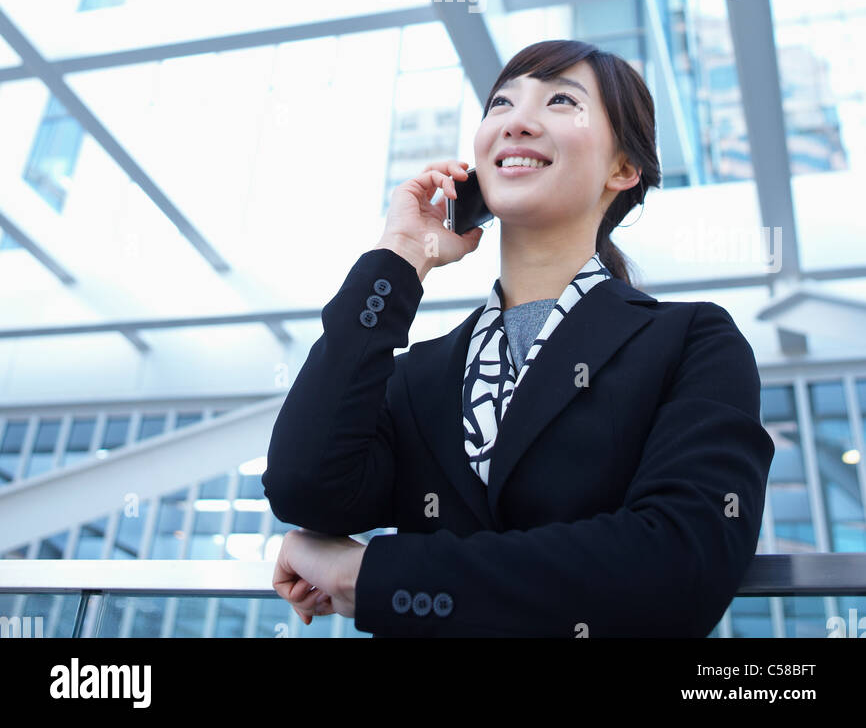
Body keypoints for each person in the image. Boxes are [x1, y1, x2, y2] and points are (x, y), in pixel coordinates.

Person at [262, 38, 775, 637]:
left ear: (623, 168)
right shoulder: (423, 374)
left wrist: (368, 574)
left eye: (561, 101)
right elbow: (305, 487)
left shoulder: (690, 340)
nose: (518, 122)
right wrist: (401, 257)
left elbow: (679, 564)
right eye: (500, 105)